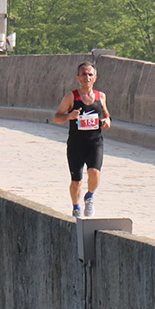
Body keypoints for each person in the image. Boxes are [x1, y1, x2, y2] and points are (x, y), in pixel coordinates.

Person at [53, 62, 112, 218]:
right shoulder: (71, 97)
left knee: (94, 173)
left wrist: (107, 121)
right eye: (84, 74)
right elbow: (56, 117)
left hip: (95, 143)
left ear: (95, 78)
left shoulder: (101, 96)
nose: (87, 77)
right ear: (77, 77)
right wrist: (69, 116)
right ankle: (76, 207)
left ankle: (90, 196)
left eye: (90, 74)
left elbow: (106, 115)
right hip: (76, 144)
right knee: (76, 181)